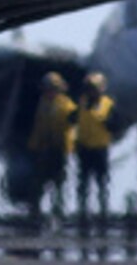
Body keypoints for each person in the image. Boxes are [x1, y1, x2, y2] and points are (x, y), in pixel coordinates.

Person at [72, 71, 122, 225]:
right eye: (89, 88)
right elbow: (71, 119)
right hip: (84, 149)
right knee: (83, 183)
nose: (91, 91)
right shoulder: (81, 104)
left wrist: (109, 124)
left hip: (100, 149)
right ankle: (82, 211)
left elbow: (117, 125)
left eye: (93, 88)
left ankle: (103, 212)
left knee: (101, 183)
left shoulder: (108, 105)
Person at [26, 71, 77, 222]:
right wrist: (34, 144)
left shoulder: (66, 104)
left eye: (53, 88)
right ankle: (35, 209)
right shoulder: (43, 104)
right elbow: (39, 125)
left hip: (59, 148)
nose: (49, 91)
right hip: (44, 148)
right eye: (47, 88)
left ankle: (58, 208)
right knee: (39, 180)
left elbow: (74, 119)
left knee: (59, 181)